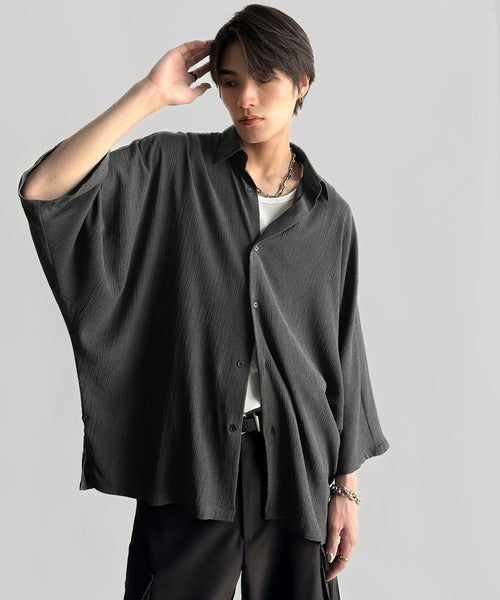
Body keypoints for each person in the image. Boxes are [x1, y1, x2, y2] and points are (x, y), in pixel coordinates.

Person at [18, 4, 390, 599]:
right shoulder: (174, 167)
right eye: (230, 81)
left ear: (302, 84)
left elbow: (344, 357)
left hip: (295, 470)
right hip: (191, 460)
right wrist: (150, 94)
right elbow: (46, 190)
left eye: (265, 78)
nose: (246, 98)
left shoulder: (329, 216)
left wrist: (345, 489)